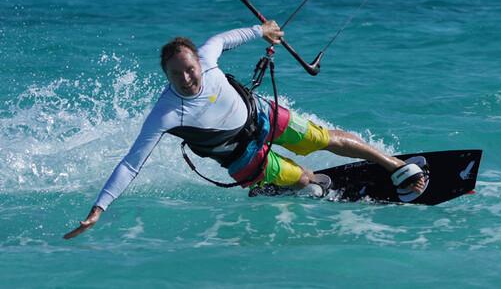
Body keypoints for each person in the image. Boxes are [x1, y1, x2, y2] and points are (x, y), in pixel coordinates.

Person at [64, 21, 425, 239]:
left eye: (190, 68)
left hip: (262, 116)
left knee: (323, 138)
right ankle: (299, 185)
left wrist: (261, 31)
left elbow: (223, 38)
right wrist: (99, 209)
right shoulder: (166, 113)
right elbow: (131, 164)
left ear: (196, 61)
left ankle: (391, 164)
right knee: (304, 181)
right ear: (166, 75)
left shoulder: (206, 56)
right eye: (177, 74)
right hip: (242, 156)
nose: (187, 78)